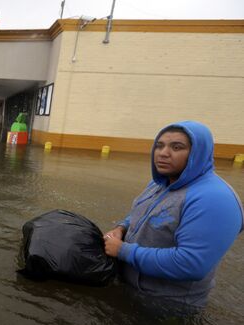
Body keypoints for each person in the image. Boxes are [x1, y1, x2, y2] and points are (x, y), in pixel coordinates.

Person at [104, 121, 243, 308]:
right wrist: (121, 228)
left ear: (198, 153)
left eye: (177, 147)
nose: (163, 153)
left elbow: (190, 264)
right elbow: (143, 213)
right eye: (159, 145)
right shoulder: (160, 183)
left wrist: (122, 250)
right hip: (131, 289)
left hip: (166, 306)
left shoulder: (214, 198)